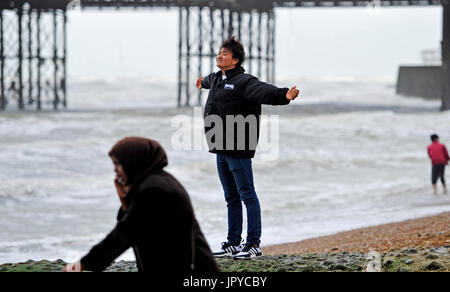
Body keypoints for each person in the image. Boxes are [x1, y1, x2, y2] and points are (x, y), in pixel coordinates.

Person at [196, 36, 300, 260]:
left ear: (235, 59)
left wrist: (284, 95)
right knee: (230, 197)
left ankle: (253, 244)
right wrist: (201, 81)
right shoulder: (216, 79)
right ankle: (233, 243)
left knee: (247, 195)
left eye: (225, 53)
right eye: (219, 52)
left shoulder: (244, 81)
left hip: (238, 147)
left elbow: (264, 91)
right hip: (220, 147)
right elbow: (207, 81)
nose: (219, 56)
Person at [62, 137, 219, 273]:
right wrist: (125, 201)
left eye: (118, 164)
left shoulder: (154, 190)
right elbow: (137, 226)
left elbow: (124, 233)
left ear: (133, 160)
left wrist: (82, 265)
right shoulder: (160, 181)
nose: (115, 171)